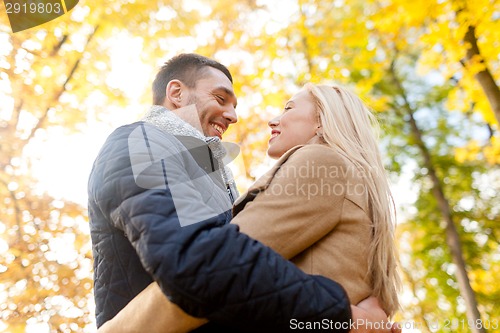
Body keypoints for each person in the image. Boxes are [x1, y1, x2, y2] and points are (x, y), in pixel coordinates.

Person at [88, 53, 398, 332]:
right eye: (221, 99)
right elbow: (203, 264)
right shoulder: (142, 141)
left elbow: (220, 265)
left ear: (323, 120)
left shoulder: (217, 173)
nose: (234, 116)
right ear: (176, 93)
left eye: (288, 108)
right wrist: (341, 315)